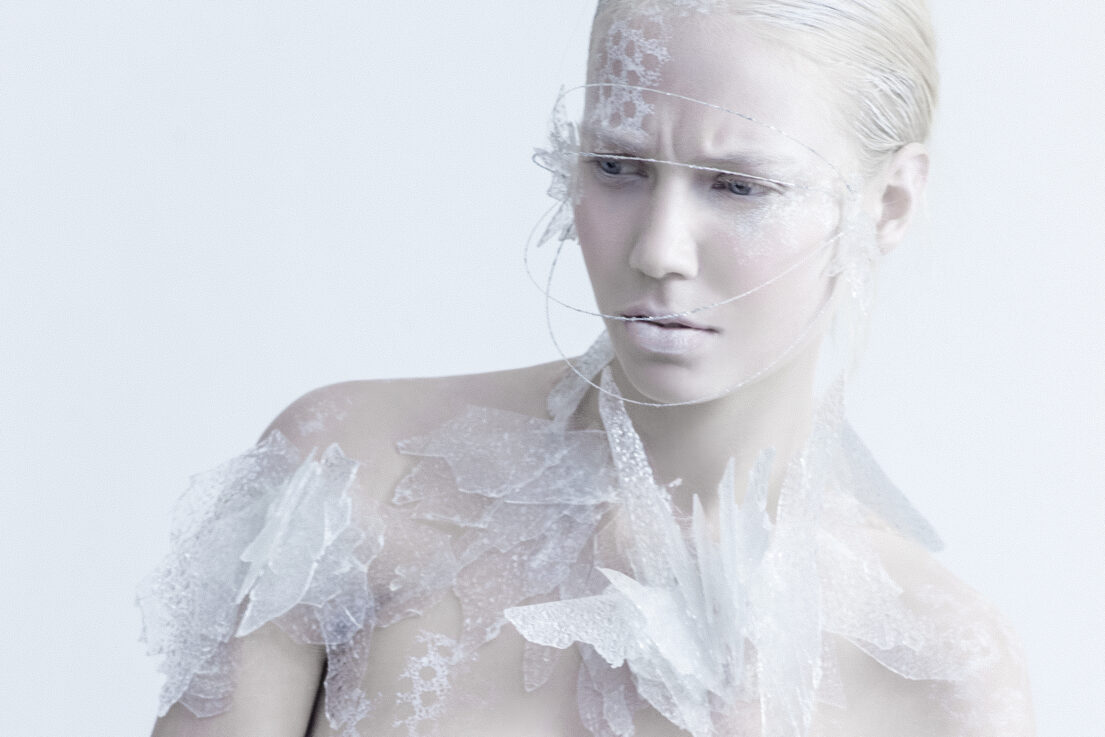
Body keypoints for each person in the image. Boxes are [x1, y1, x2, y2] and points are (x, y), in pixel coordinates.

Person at [139, 1, 1034, 735]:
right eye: (617, 165)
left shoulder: (937, 669)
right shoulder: (348, 477)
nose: (658, 249)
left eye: (738, 186)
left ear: (889, 203)